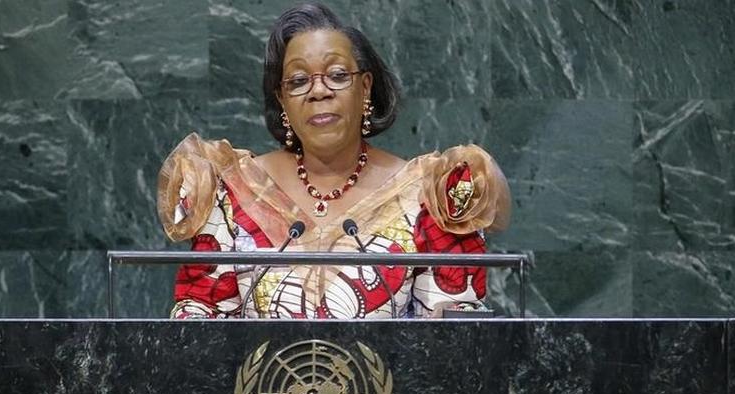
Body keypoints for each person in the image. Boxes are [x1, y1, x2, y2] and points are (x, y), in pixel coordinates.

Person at [156, 2, 510, 319]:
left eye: (338, 75)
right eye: (298, 81)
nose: (319, 91)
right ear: (282, 100)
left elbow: (457, 336)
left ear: (366, 87)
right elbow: (199, 323)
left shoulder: (427, 197)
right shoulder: (235, 192)